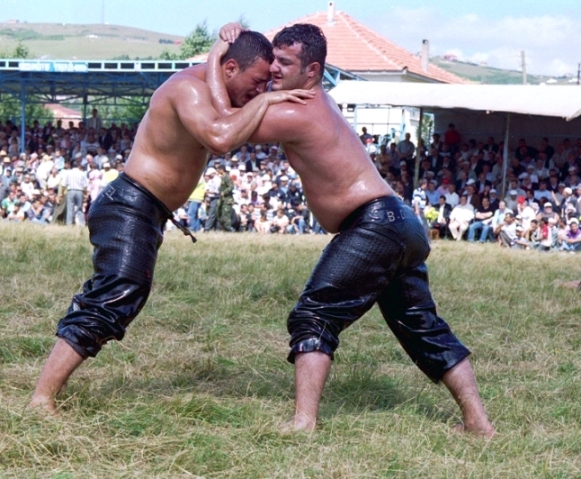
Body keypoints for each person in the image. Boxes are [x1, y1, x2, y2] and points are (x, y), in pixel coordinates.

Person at [210, 23, 493, 436]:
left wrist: (217, 56)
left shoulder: (295, 111)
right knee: (422, 325)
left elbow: (221, 127)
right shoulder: (312, 103)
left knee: (313, 315)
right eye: (273, 61)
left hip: (375, 222)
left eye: (284, 63)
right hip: (399, 222)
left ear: (311, 72)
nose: (273, 70)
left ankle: (304, 423)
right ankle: (479, 424)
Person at [27, 27, 314, 414]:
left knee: (122, 293)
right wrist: (269, 97)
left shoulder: (216, 93)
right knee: (116, 292)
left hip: (144, 210)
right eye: (258, 81)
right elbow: (221, 138)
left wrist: (256, 86)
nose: (262, 90)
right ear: (230, 67)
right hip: (128, 205)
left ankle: (44, 394)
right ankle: (41, 398)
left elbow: (233, 122)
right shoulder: (188, 90)